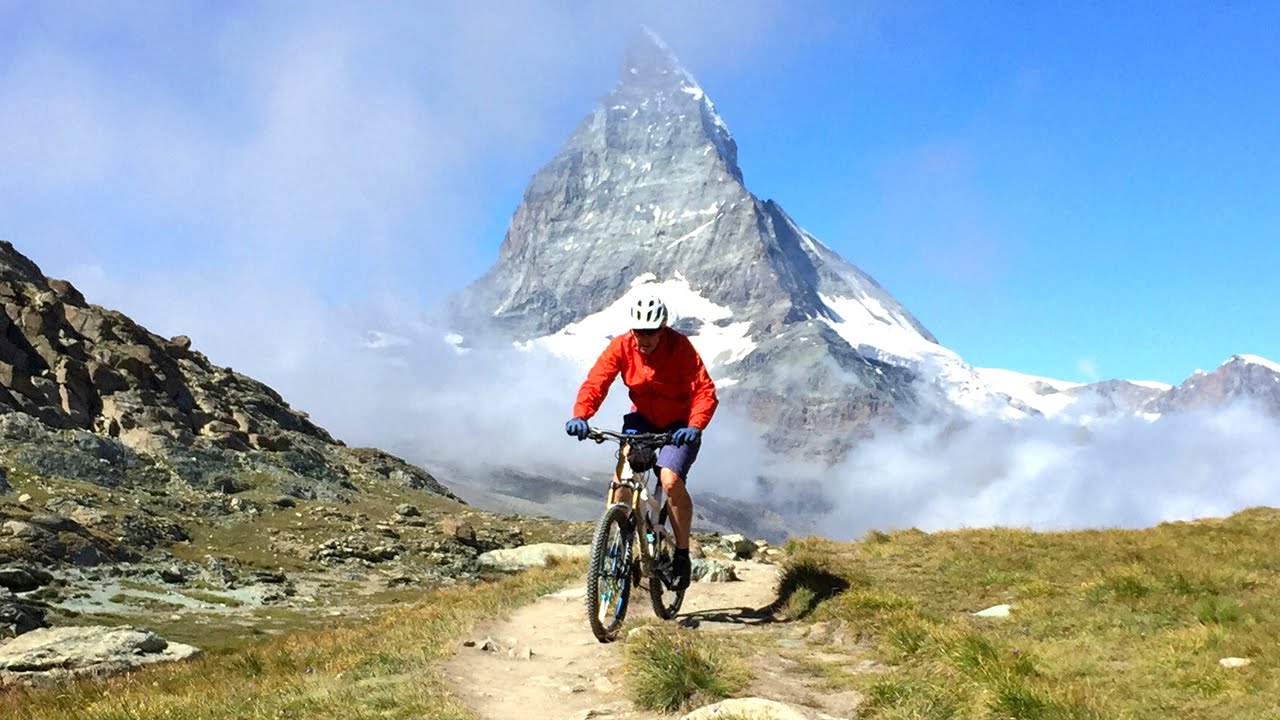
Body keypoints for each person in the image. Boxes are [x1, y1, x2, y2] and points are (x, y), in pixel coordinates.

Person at [564, 293, 718, 591]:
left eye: (652, 332)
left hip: (680, 425)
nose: (645, 339)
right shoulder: (621, 346)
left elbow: (705, 391)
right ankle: (617, 540)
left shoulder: (680, 348)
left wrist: (695, 425)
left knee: (670, 480)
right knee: (623, 479)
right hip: (643, 421)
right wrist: (581, 415)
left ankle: (682, 556)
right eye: (639, 332)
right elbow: (597, 381)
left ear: (663, 328)